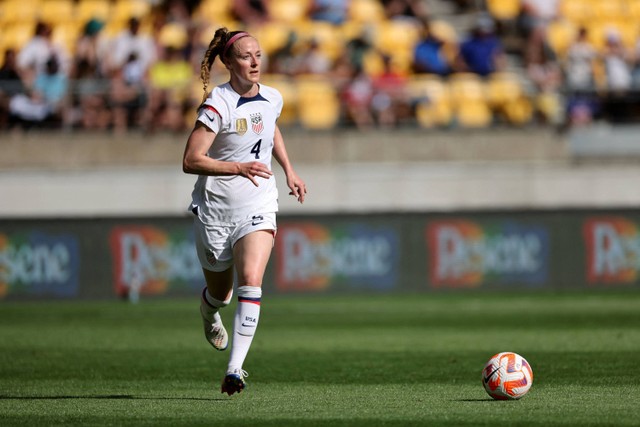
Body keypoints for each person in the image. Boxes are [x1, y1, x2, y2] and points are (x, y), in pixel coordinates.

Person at [182, 28, 307, 396]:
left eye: (258, 54)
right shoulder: (216, 105)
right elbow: (190, 160)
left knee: (251, 280)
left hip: (258, 203)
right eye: (245, 56)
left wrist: (289, 169)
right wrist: (238, 167)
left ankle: (235, 369)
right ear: (228, 62)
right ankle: (208, 314)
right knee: (221, 294)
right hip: (216, 211)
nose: (254, 62)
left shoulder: (273, 97)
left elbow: (270, 129)